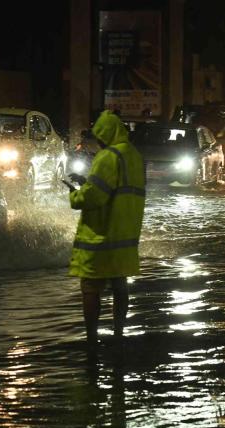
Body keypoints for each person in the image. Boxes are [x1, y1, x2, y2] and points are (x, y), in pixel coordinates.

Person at [66, 110, 146, 349]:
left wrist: (76, 195)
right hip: (125, 235)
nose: (98, 143)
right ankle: (118, 335)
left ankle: (91, 340)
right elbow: (118, 188)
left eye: (100, 138)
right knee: (120, 286)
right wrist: (87, 182)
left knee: (91, 288)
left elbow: (94, 197)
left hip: (101, 235)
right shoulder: (134, 156)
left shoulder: (108, 156)